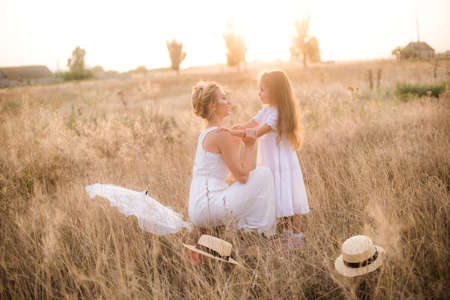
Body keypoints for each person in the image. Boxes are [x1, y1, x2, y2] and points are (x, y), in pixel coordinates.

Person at [230, 69, 310, 245]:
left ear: (275, 91)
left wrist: (236, 133)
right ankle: (287, 232)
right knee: (279, 195)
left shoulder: (278, 113)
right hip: (271, 164)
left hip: (281, 164)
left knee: (289, 194)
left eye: (262, 90)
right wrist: (235, 129)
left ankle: (295, 235)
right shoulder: (266, 111)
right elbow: (249, 125)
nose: (259, 94)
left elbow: (256, 132)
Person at [188, 81, 277, 238]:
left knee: (254, 179)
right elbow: (242, 178)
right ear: (212, 106)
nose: (228, 102)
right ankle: (256, 231)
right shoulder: (221, 135)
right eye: (223, 98)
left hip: (198, 208)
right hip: (211, 207)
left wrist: (236, 144)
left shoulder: (206, 133)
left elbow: (230, 176)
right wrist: (249, 146)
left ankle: (240, 229)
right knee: (264, 174)